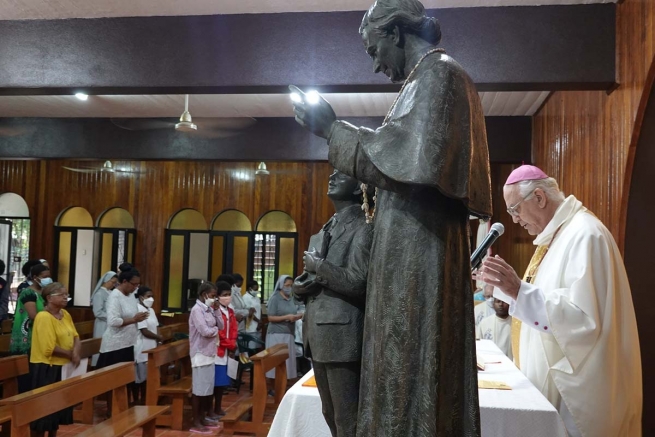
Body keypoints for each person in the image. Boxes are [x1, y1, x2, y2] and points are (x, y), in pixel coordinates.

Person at [290, 1, 491, 434]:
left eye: (373, 48)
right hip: (406, 250)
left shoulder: (441, 76)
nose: (376, 63)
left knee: (412, 371)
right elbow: (398, 157)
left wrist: (333, 129)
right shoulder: (422, 82)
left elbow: (409, 161)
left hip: (419, 254)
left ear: (395, 33)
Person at [479, 165, 642, 437]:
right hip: (547, 390)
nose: (516, 219)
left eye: (515, 209)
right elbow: (548, 299)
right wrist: (502, 286)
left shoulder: (586, 235)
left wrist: (518, 289)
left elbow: (582, 319)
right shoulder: (557, 238)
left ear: (540, 198)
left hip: (577, 398)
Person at [294, 170, 374, 437]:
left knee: (347, 419)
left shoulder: (364, 227)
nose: (331, 176)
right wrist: (300, 285)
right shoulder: (325, 229)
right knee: (330, 415)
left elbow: (358, 282)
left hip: (343, 334)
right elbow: (310, 277)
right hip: (318, 334)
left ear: (358, 188)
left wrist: (319, 268)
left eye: (342, 174)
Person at [30, 282, 80, 437]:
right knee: (44, 412)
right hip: (46, 368)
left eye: (67, 295)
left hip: (63, 367)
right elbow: (49, 348)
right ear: (49, 298)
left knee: (58, 411)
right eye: (62, 295)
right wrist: (71, 355)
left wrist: (76, 352)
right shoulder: (43, 317)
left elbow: (76, 336)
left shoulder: (66, 314)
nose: (66, 297)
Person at [97, 269, 148, 415]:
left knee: (125, 379)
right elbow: (113, 321)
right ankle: (111, 410)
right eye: (133, 284)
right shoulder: (115, 296)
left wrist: (139, 316)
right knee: (112, 380)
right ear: (124, 282)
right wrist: (134, 319)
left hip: (128, 343)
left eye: (138, 285)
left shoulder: (131, 295)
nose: (136, 288)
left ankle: (122, 409)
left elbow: (132, 314)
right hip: (114, 345)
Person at [10, 263, 51, 394]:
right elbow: (34, 316)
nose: (48, 279)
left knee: (39, 376)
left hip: (41, 335)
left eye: (49, 276)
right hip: (27, 337)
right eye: (44, 277)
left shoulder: (45, 292)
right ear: (35, 277)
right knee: (28, 376)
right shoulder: (28, 292)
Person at [189, 282, 224, 434]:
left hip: (210, 352)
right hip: (199, 352)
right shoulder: (197, 310)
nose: (214, 298)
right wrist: (215, 330)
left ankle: (203, 417)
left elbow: (221, 326)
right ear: (204, 294)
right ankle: (196, 420)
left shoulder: (210, 309)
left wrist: (217, 312)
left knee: (207, 388)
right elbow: (205, 331)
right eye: (212, 295)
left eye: (215, 296)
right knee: (199, 389)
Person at [265, 275, 301, 380]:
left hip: (289, 332)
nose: (289, 287)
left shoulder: (291, 299)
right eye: (287, 285)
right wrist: (287, 317)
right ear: (281, 285)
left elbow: (294, 312)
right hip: (276, 333)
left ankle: (283, 384)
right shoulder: (275, 299)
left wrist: (298, 316)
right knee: (276, 360)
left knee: (287, 361)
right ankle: (273, 385)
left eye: (291, 285)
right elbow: (270, 317)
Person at [133, 286, 162, 405]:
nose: (151, 299)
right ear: (141, 297)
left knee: (151, 378)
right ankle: (139, 401)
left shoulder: (151, 310)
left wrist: (159, 340)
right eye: (148, 296)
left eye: (152, 296)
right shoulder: (138, 309)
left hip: (152, 346)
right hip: (142, 347)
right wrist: (158, 337)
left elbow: (156, 326)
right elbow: (144, 330)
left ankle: (148, 400)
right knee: (141, 378)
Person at [213, 281, 237, 418]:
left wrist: (233, 342)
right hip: (218, 350)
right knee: (215, 382)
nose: (227, 297)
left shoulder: (230, 311)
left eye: (229, 294)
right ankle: (212, 408)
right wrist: (229, 344)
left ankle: (218, 407)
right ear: (217, 296)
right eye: (224, 295)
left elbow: (233, 329)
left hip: (227, 349)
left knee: (222, 383)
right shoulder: (215, 311)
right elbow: (219, 333)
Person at [90, 271, 117, 366]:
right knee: (101, 345)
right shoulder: (99, 294)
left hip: (111, 324)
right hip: (102, 324)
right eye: (112, 282)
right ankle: (97, 365)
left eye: (115, 283)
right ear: (106, 280)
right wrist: (111, 317)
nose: (113, 285)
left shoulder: (111, 293)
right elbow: (98, 312)